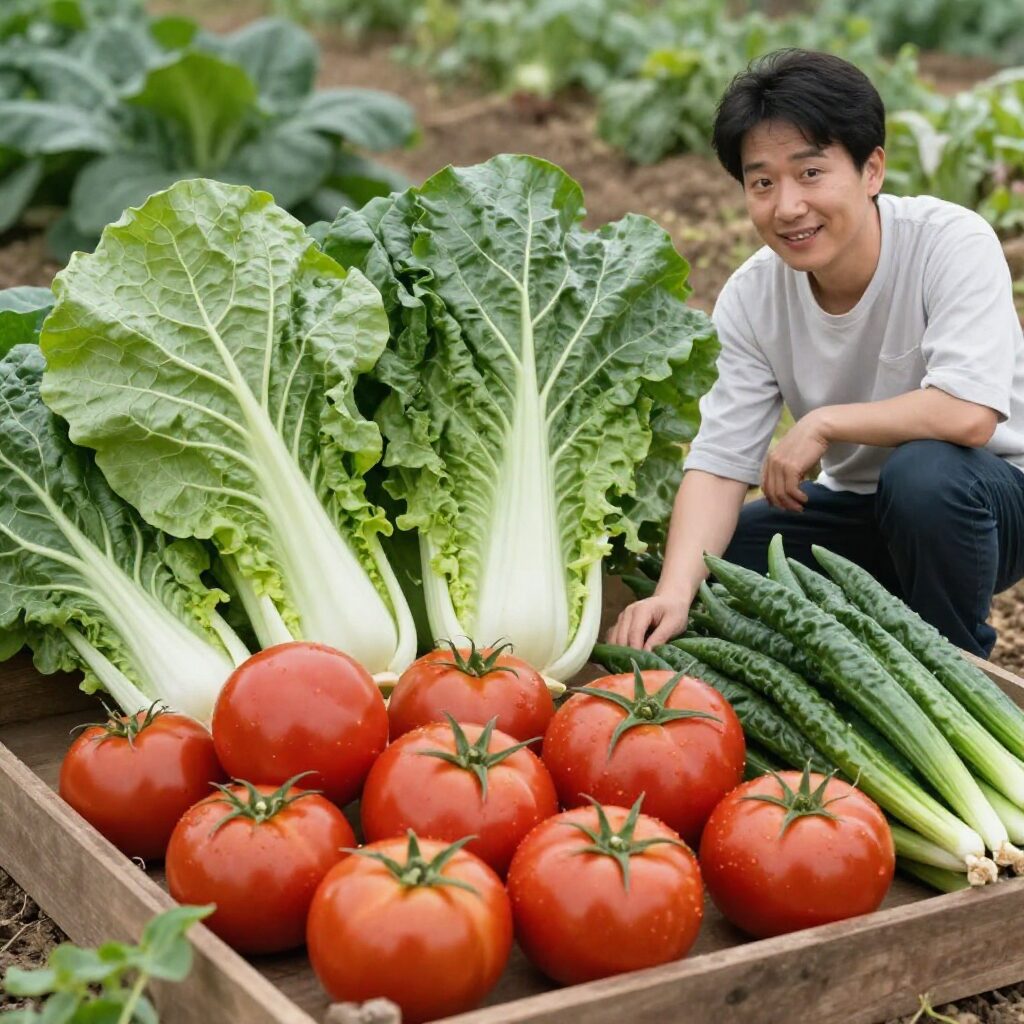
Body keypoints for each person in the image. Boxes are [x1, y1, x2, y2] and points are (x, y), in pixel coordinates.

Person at [608, 47, 1024, 659]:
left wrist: (827, 423)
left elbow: (968, 415)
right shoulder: (752, 295)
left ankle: (955, 673)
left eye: (811, 173)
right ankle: (861, 653)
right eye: (762, 183)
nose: (788, 207)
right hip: (861, 513)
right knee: (717, 564)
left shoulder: (949, 242)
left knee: (923, 475)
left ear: (872, 170)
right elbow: (721, 460)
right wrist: (674, 592)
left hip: (987, 501)